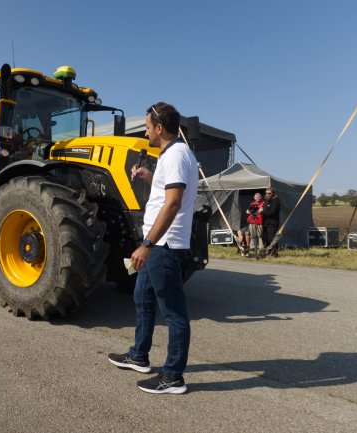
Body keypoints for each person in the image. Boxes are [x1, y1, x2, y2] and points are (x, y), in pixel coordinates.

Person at [107, 102, 198, 395]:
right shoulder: (172, 154)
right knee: (141, 296)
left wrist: (147, 244)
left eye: (147, 126)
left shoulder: (175, 155)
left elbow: (173, 203)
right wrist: (149, 176)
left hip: (164, 245)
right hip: (159, 242)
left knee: (173, 311)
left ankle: (172, 377)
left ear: (159, 128)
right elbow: (167, 193)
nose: (145, 131)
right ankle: (139, 356)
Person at [261, 187, 280, 257]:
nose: (267, 194)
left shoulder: (276, 201)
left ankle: (274, 253)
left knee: (272, 239)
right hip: (265, 223)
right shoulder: (266, 201)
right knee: (265, 239)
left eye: (269, 193)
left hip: (272, 223)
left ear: (273, 193)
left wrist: (262, 212)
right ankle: (267, 252)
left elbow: (272, 212)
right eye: (266, 193)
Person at [246, 193, 264, 258]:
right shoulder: (252, 203)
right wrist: (251, 212)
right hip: (252, 221)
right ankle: (252, 248)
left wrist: (255, 212)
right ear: (254, 198)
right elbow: (247, 211)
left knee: (259, 236)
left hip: (259, 222)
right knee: (253, 236)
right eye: (256, 197)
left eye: (258, 197)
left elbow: (261, 210)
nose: (257, 198)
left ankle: (261, 249)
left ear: (261, 197)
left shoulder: (263, 203)